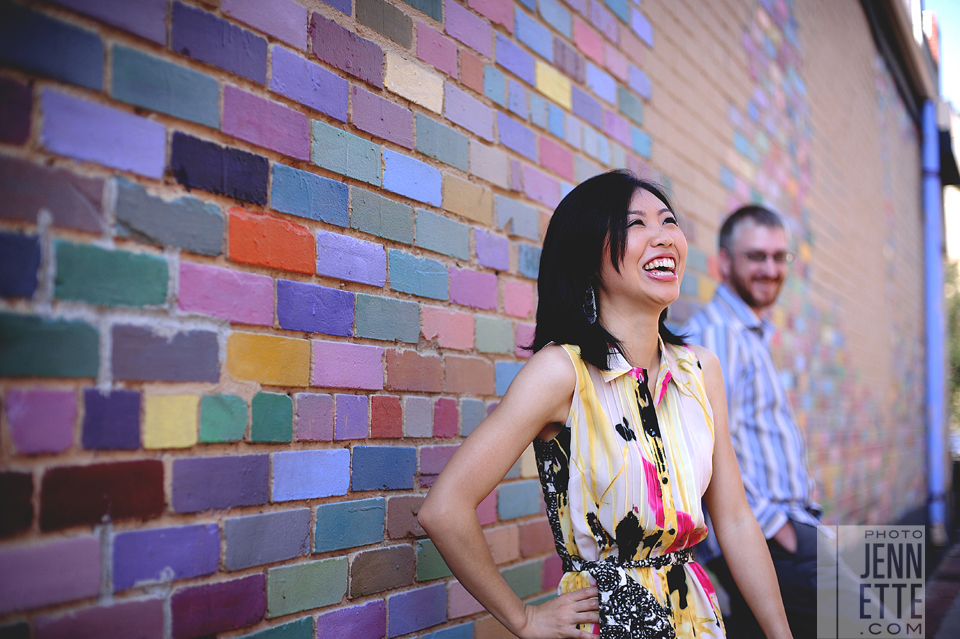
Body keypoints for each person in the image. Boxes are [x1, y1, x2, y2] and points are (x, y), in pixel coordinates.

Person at [419, 171, 793, 638]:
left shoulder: (700, 370)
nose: (663, 237)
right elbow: (445, 507)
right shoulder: (562, 374)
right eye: (635, 224)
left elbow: (735, 519)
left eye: (668, 221)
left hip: (697, 621)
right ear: (588, 257)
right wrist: (524, 619)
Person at [682, 205, 820, 638]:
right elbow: (705, 450)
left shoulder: (745, 332)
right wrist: (780, 531)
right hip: (767, 537)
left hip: (784, 530)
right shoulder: (721, 335)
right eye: (756, 256)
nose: (771, 268)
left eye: (780, 257)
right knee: (885, 612)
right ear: (725, 262)